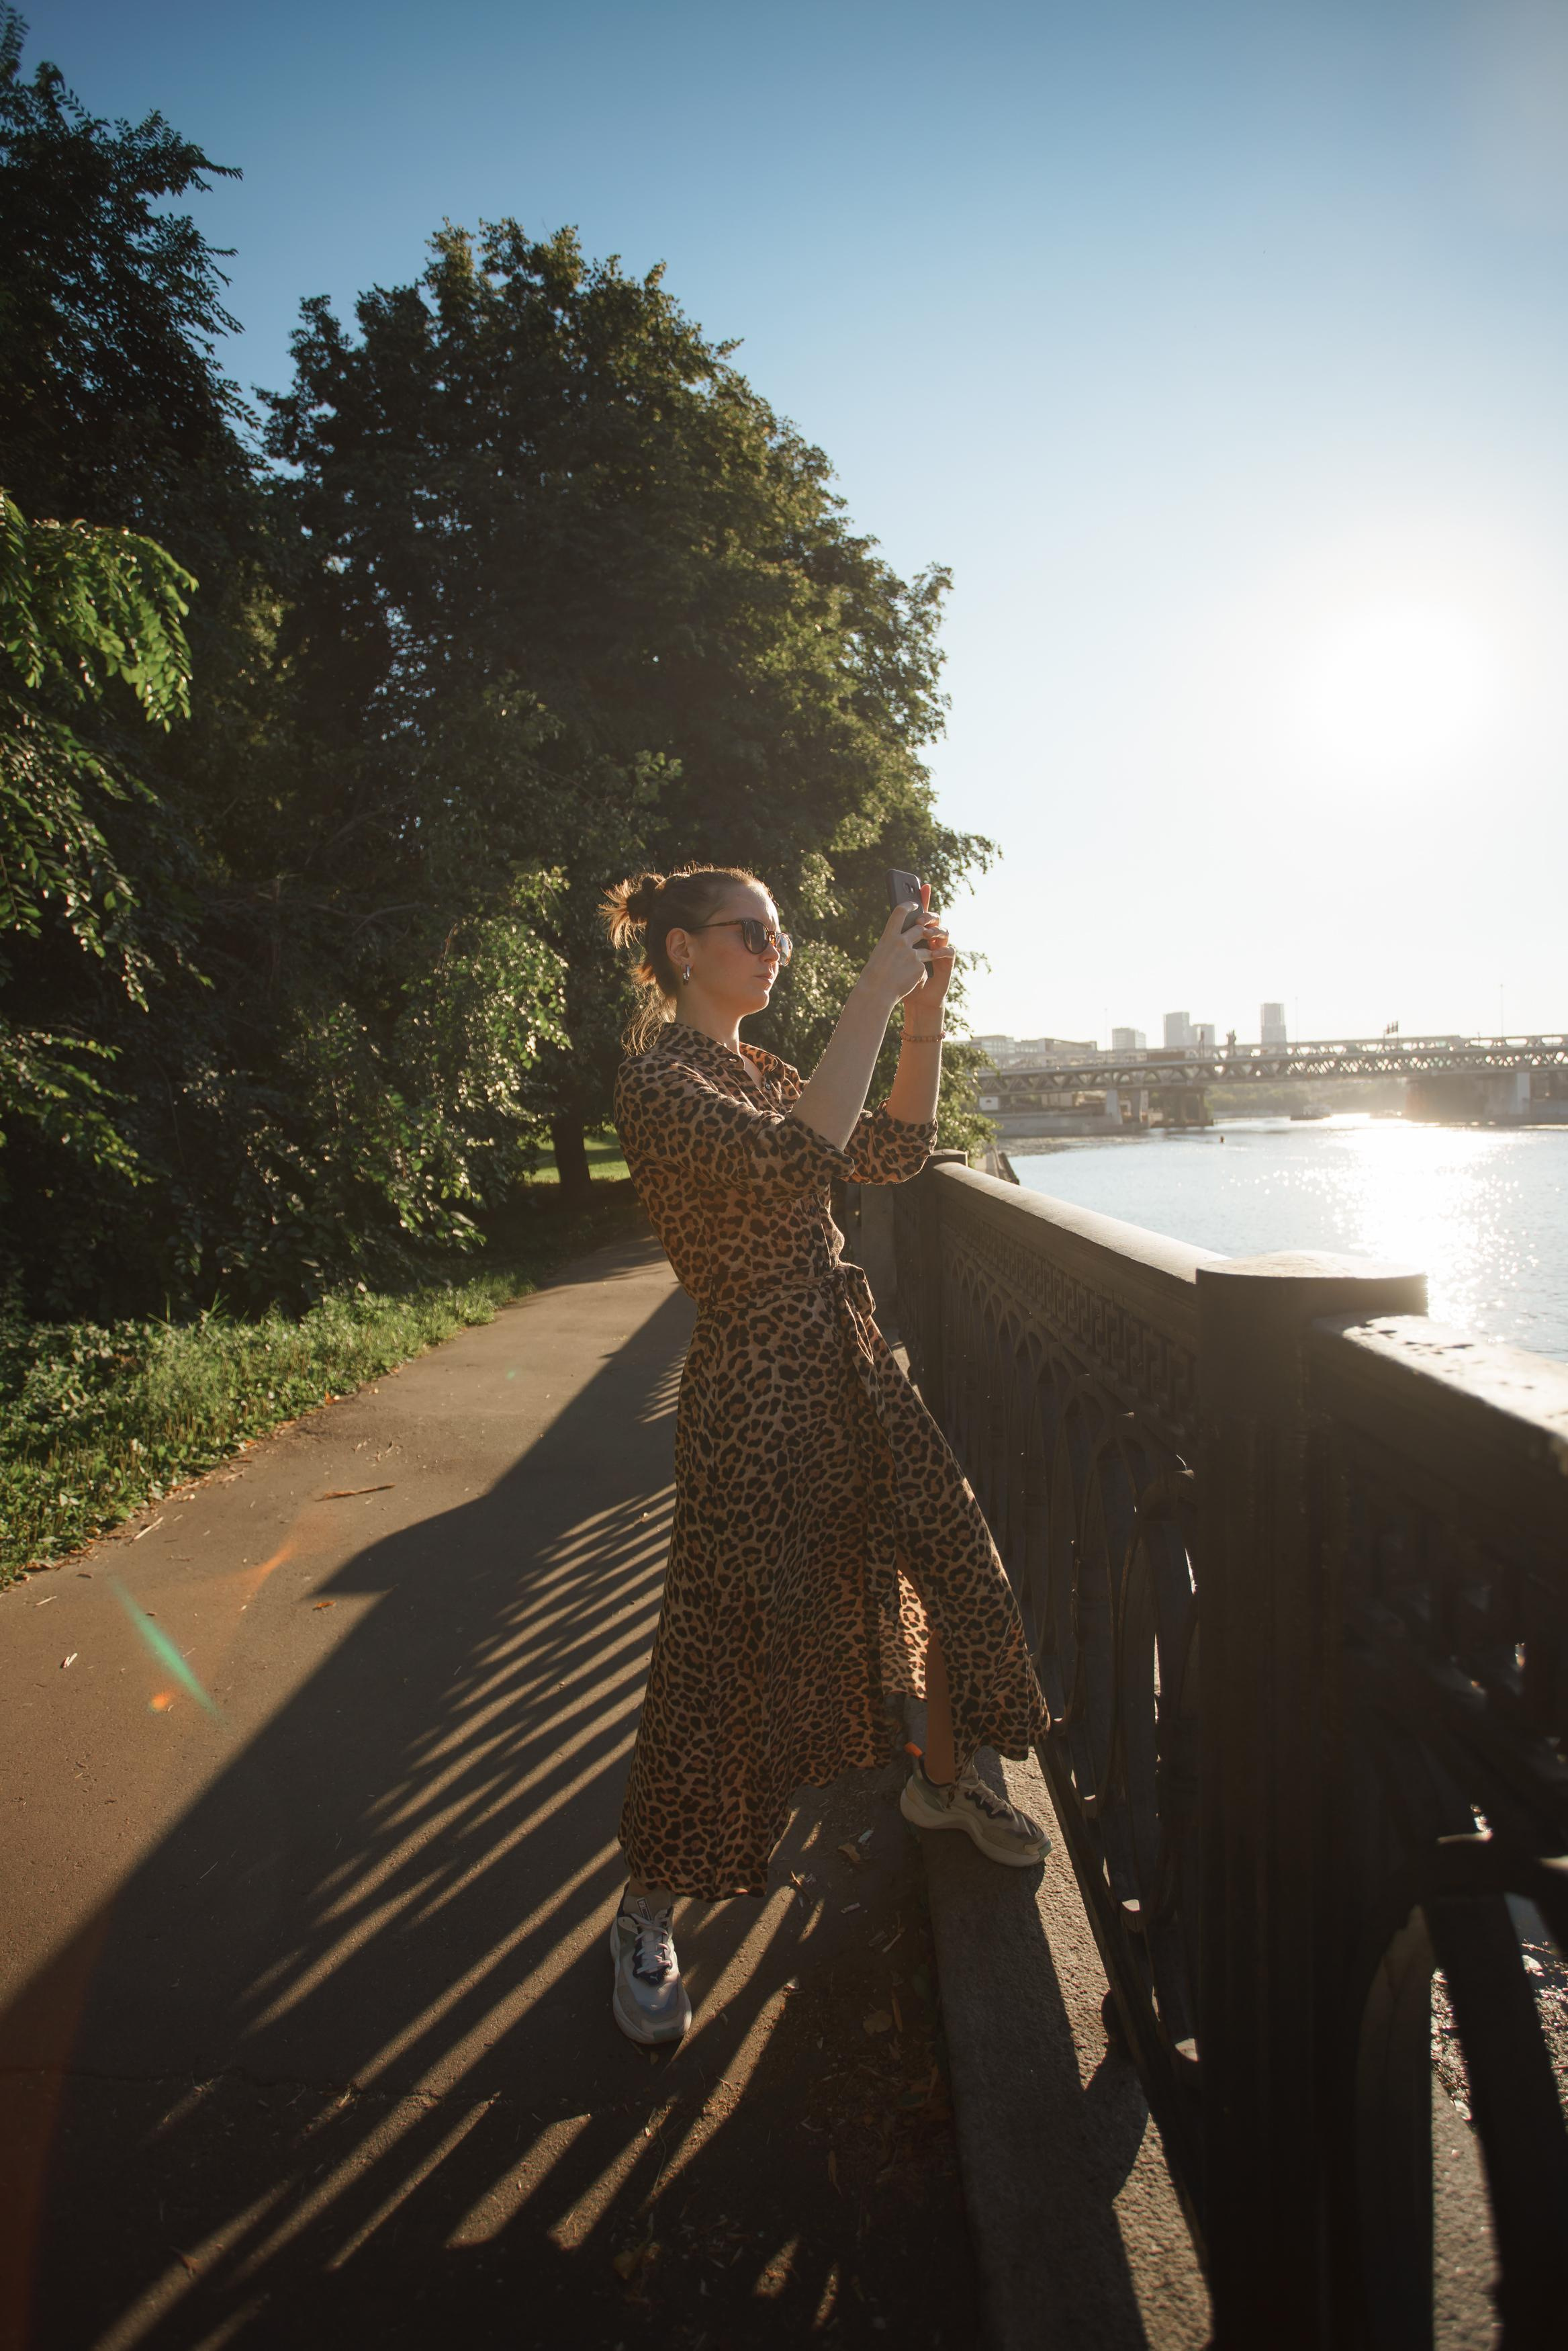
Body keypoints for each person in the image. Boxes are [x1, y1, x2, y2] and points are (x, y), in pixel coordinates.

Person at [600, 864, 1050, 2045]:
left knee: (955, 1555)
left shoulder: (759, 1069)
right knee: (723, 1651)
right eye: (752, 933)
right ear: (683, 950)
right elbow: (797, 1162)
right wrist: (868, 993)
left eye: (781, 934)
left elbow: (892, 1153)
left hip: (849, 1362)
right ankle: (645, 1910)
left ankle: (940, 1787)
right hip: (753, 1390)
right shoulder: (655, 1082)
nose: (775, 948)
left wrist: (919, 1014)